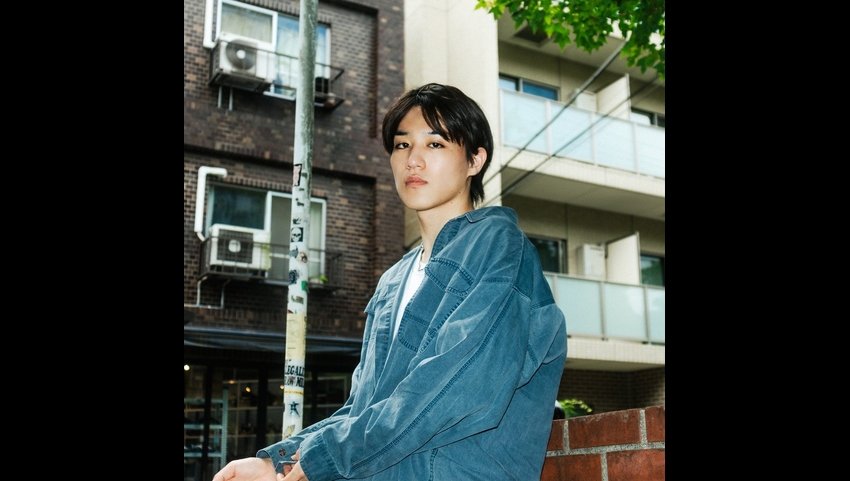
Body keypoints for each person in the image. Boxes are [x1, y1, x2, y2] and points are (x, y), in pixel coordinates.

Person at [212, 83, 567, 481]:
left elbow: (456, 389)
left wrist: (325, 460)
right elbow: (364, 409)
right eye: (402, 145)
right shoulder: (394, 281)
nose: (413, 160)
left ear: (475, 160)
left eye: (435, 144)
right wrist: (274, 462)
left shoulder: (499, 246)